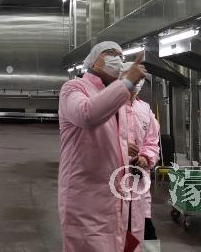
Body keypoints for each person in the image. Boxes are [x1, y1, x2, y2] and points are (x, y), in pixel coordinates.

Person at [58, 41, 146, 252]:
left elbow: (102, 136)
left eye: (120, 56)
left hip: (113, 196)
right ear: (93, 60)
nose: (117, 59)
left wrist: (122, 145)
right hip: (84, 198)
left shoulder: (117, 97)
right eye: (109, 53)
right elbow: (87, 114)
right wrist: (127, 82)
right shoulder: (73, 87)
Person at [121, 62, 160, 250]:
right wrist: (121, 147)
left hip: (139, 184)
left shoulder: (145, 110)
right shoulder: (110, 108)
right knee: (119, 232)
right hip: (114, 183)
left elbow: (152, 141)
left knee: (146, 231)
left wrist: (146, 157)